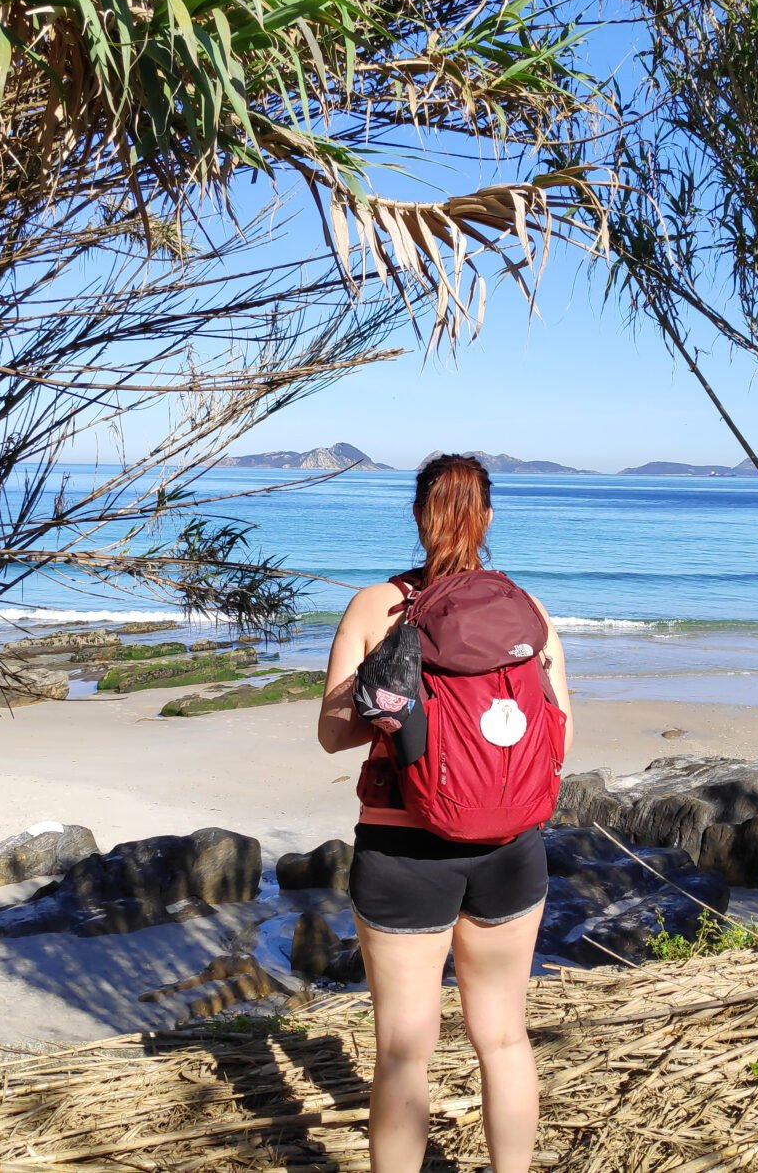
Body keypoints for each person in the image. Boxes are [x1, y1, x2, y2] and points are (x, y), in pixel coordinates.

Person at [316, 453, 573, 1173]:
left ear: (418, 516)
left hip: (404, 851)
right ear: (488, 519)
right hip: (510, 850)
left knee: (403, 1049)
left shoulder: (377, 606)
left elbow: (334, 732)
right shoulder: (527, 610)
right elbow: (561, 733)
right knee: (504, 1037)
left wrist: (403, 716)